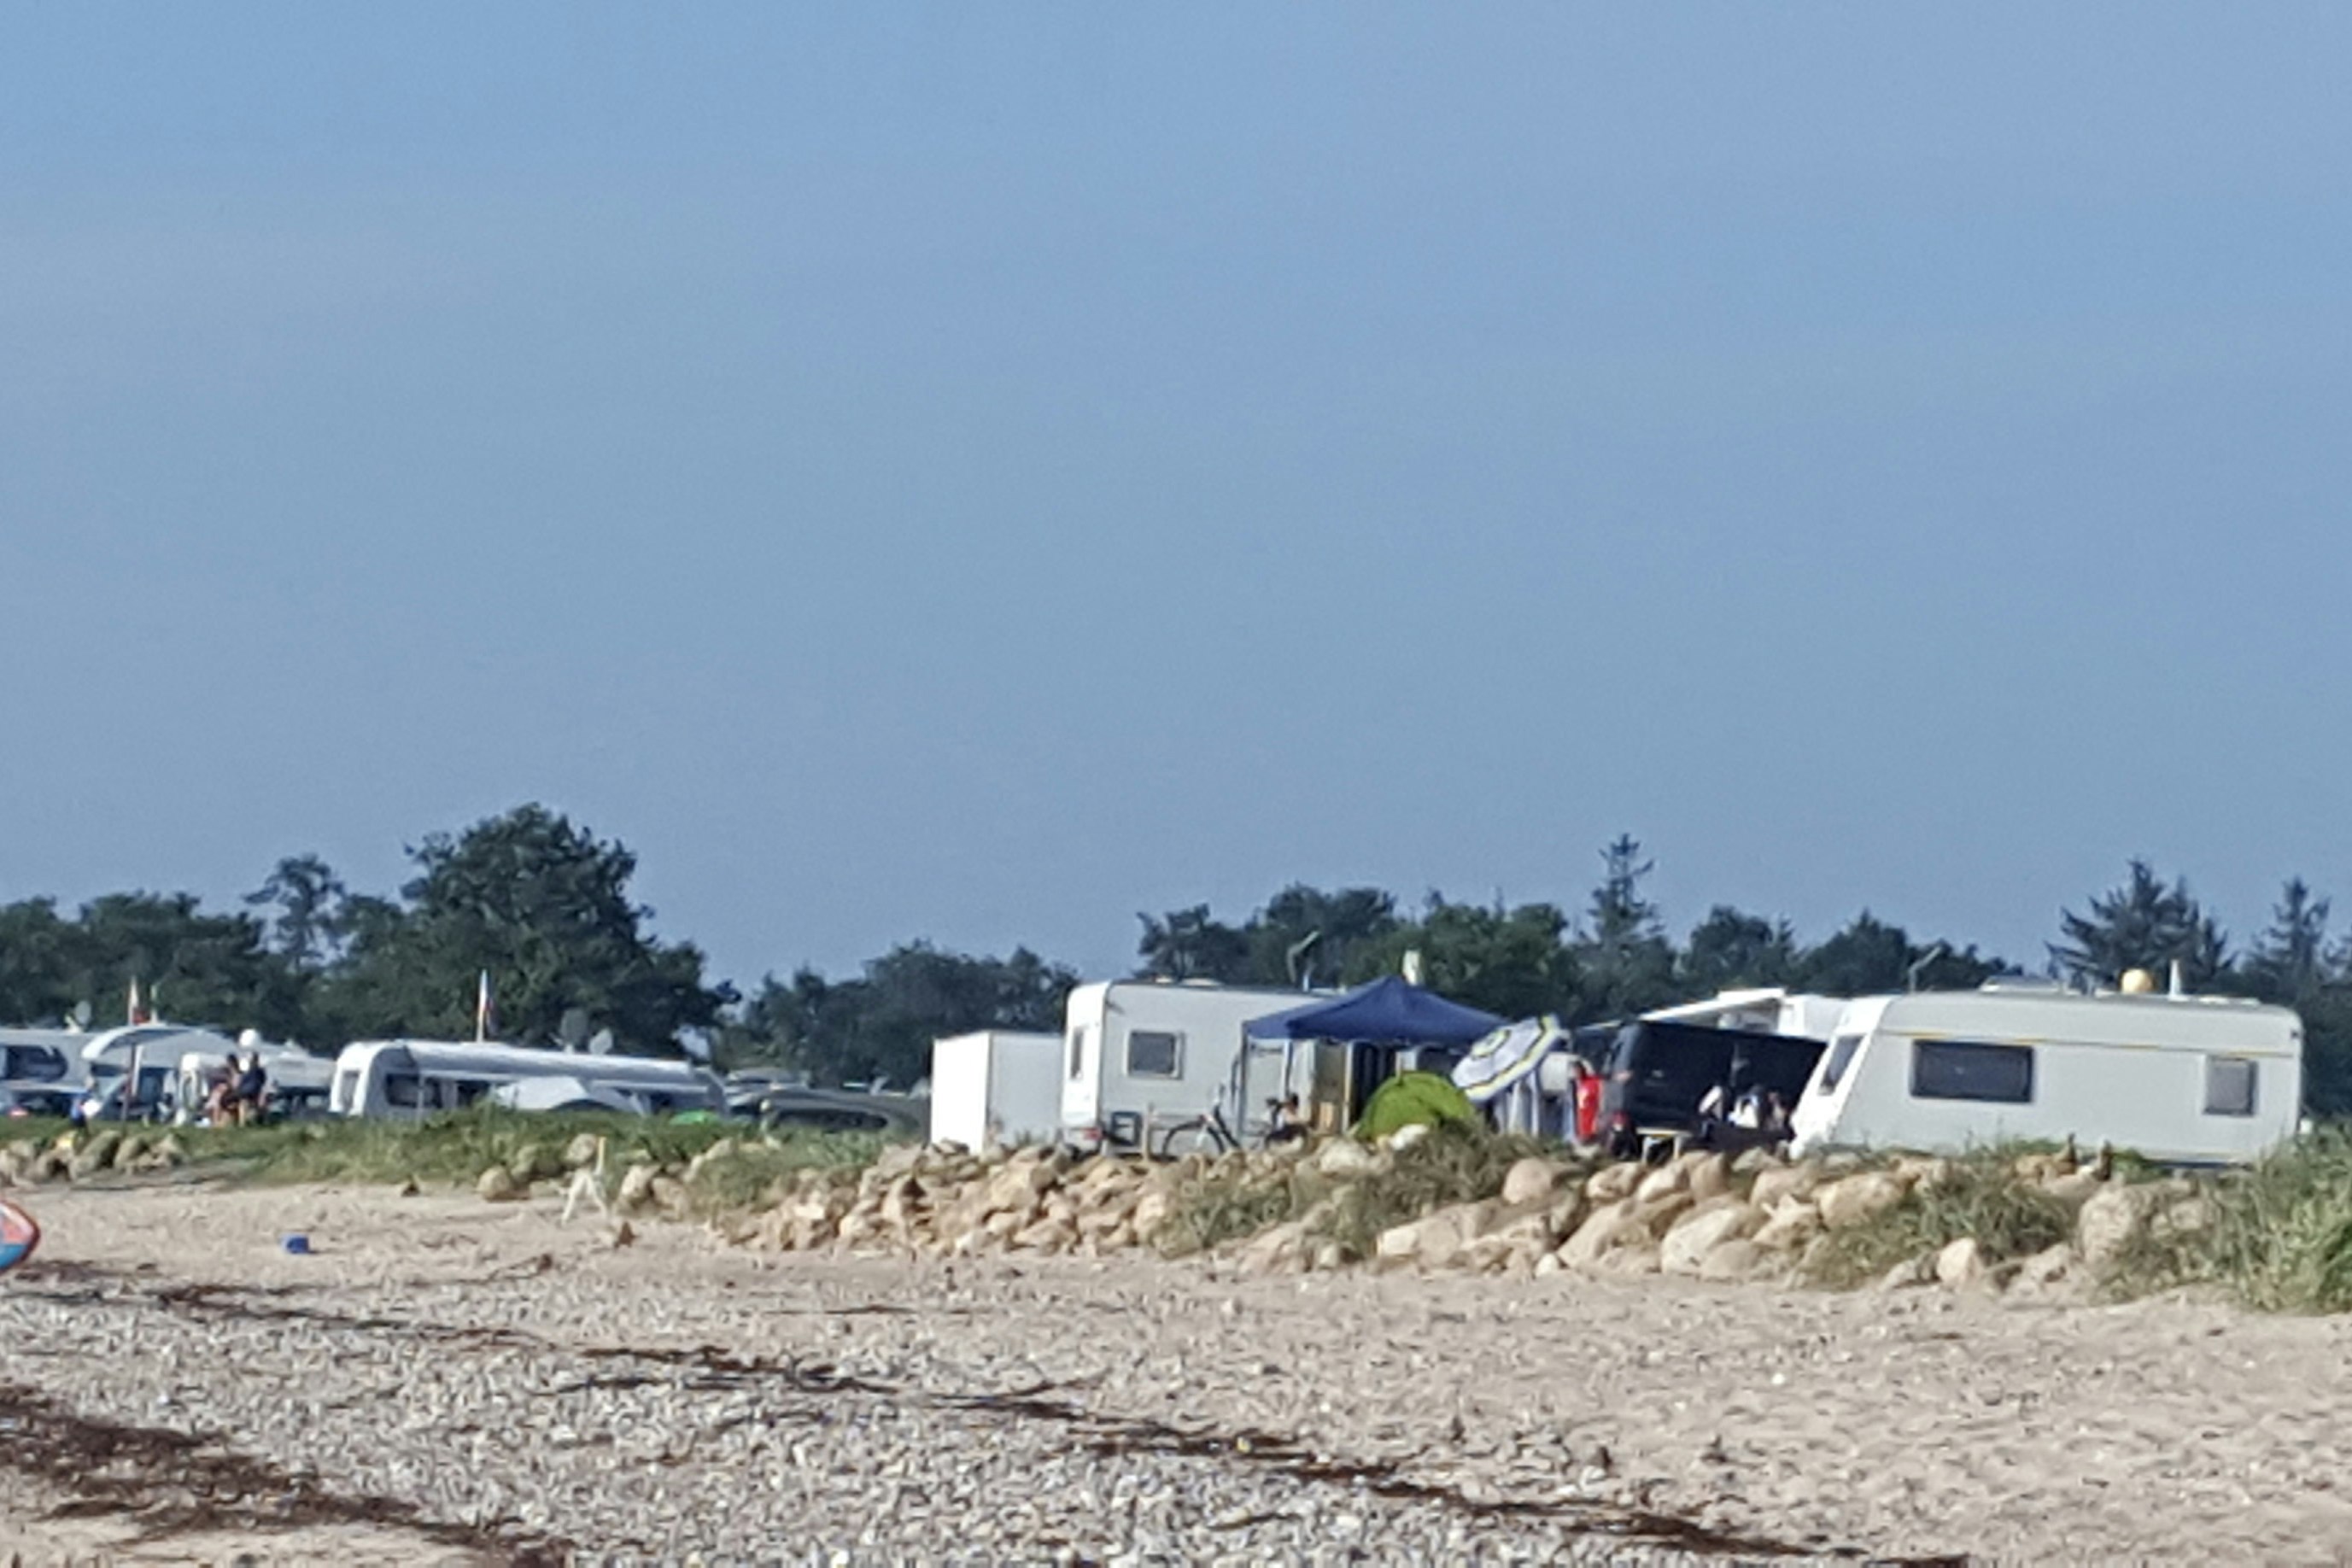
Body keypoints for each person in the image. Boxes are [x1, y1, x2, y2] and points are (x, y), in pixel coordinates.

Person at [1571, 1060, 1604, 1147]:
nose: (1576, 1074)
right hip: (1583, 1121)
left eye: (1578, 1071)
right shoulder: (1580, 1084)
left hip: (1592, 1120)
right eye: (1574, 1071)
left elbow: (1599, 1098)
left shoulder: (1593, 1082)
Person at [232, 1053, 269, 1125]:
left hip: (246, 1091)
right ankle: (256, 1120)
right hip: (256, 1091)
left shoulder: (246, 1070)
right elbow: (263, 1081)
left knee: (243, 1105)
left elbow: (241, 1081)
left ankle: (242, 1123)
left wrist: (237, 1090)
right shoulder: (260, 1070)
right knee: (254, 1106)